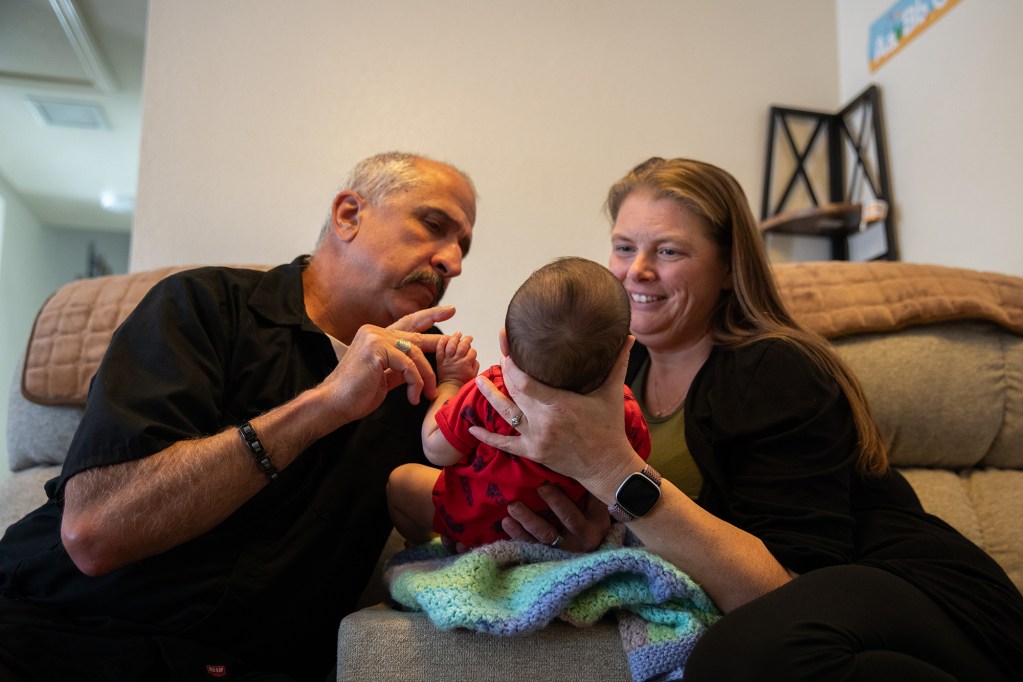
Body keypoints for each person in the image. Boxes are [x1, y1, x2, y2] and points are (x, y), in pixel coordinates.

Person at [466, 157, 1023, 680]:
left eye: (669, 252)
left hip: (921, 594)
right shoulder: (619, 369)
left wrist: (613, 474)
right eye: (624, 246)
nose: (636, 271)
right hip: (819, 616)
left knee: (741, 656)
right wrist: (601, 533)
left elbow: (785, 583)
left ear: (729, 269)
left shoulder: (773, 367)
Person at [0, 151, 477, 681]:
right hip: (53, 634)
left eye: (464, 247)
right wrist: (326, 403)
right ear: (348, 215)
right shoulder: (203, 307)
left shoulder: (436, 384)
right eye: (434, 225)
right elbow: (94, 532)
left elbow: (487, 501)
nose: (452, 262)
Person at [387, 257, 651, 549]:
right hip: (562, 533)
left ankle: (431, 546)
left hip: (472, 521)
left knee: (401, 482)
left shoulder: (492, 392)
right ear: (624, 351)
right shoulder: (623, 413)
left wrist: (451, 381)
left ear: (505, 343)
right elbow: (624, 482)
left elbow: (436, 449)